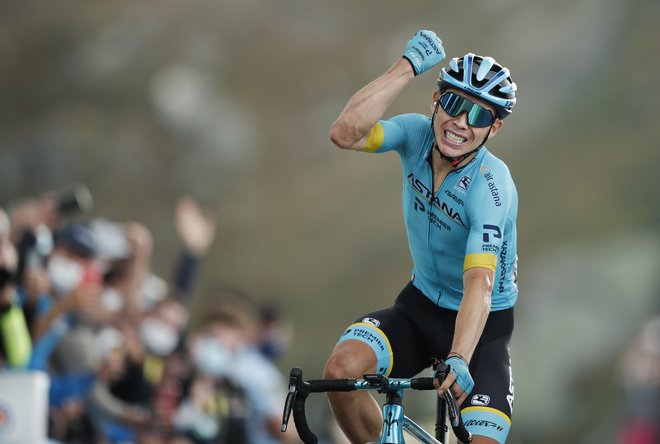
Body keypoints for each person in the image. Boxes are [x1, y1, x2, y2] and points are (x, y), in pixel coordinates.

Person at [324, 30, 519, 444]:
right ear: (436, 101)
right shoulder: (415, 134)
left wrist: (460, 357)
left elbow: (479, 282)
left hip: (480, 331)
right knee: (340, 372)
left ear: (494, 128)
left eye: (479, 115)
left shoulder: (491, 185)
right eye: (454, 103)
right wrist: (405, 67)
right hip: (419, 307)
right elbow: (346, 133)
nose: (461, 123)